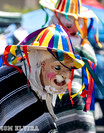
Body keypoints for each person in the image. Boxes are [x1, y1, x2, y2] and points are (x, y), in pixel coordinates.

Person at [39, 0, 101, 132]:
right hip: (77, 93)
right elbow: (92, 63)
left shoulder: (48, 38)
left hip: (56, 91)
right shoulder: (82, 43)